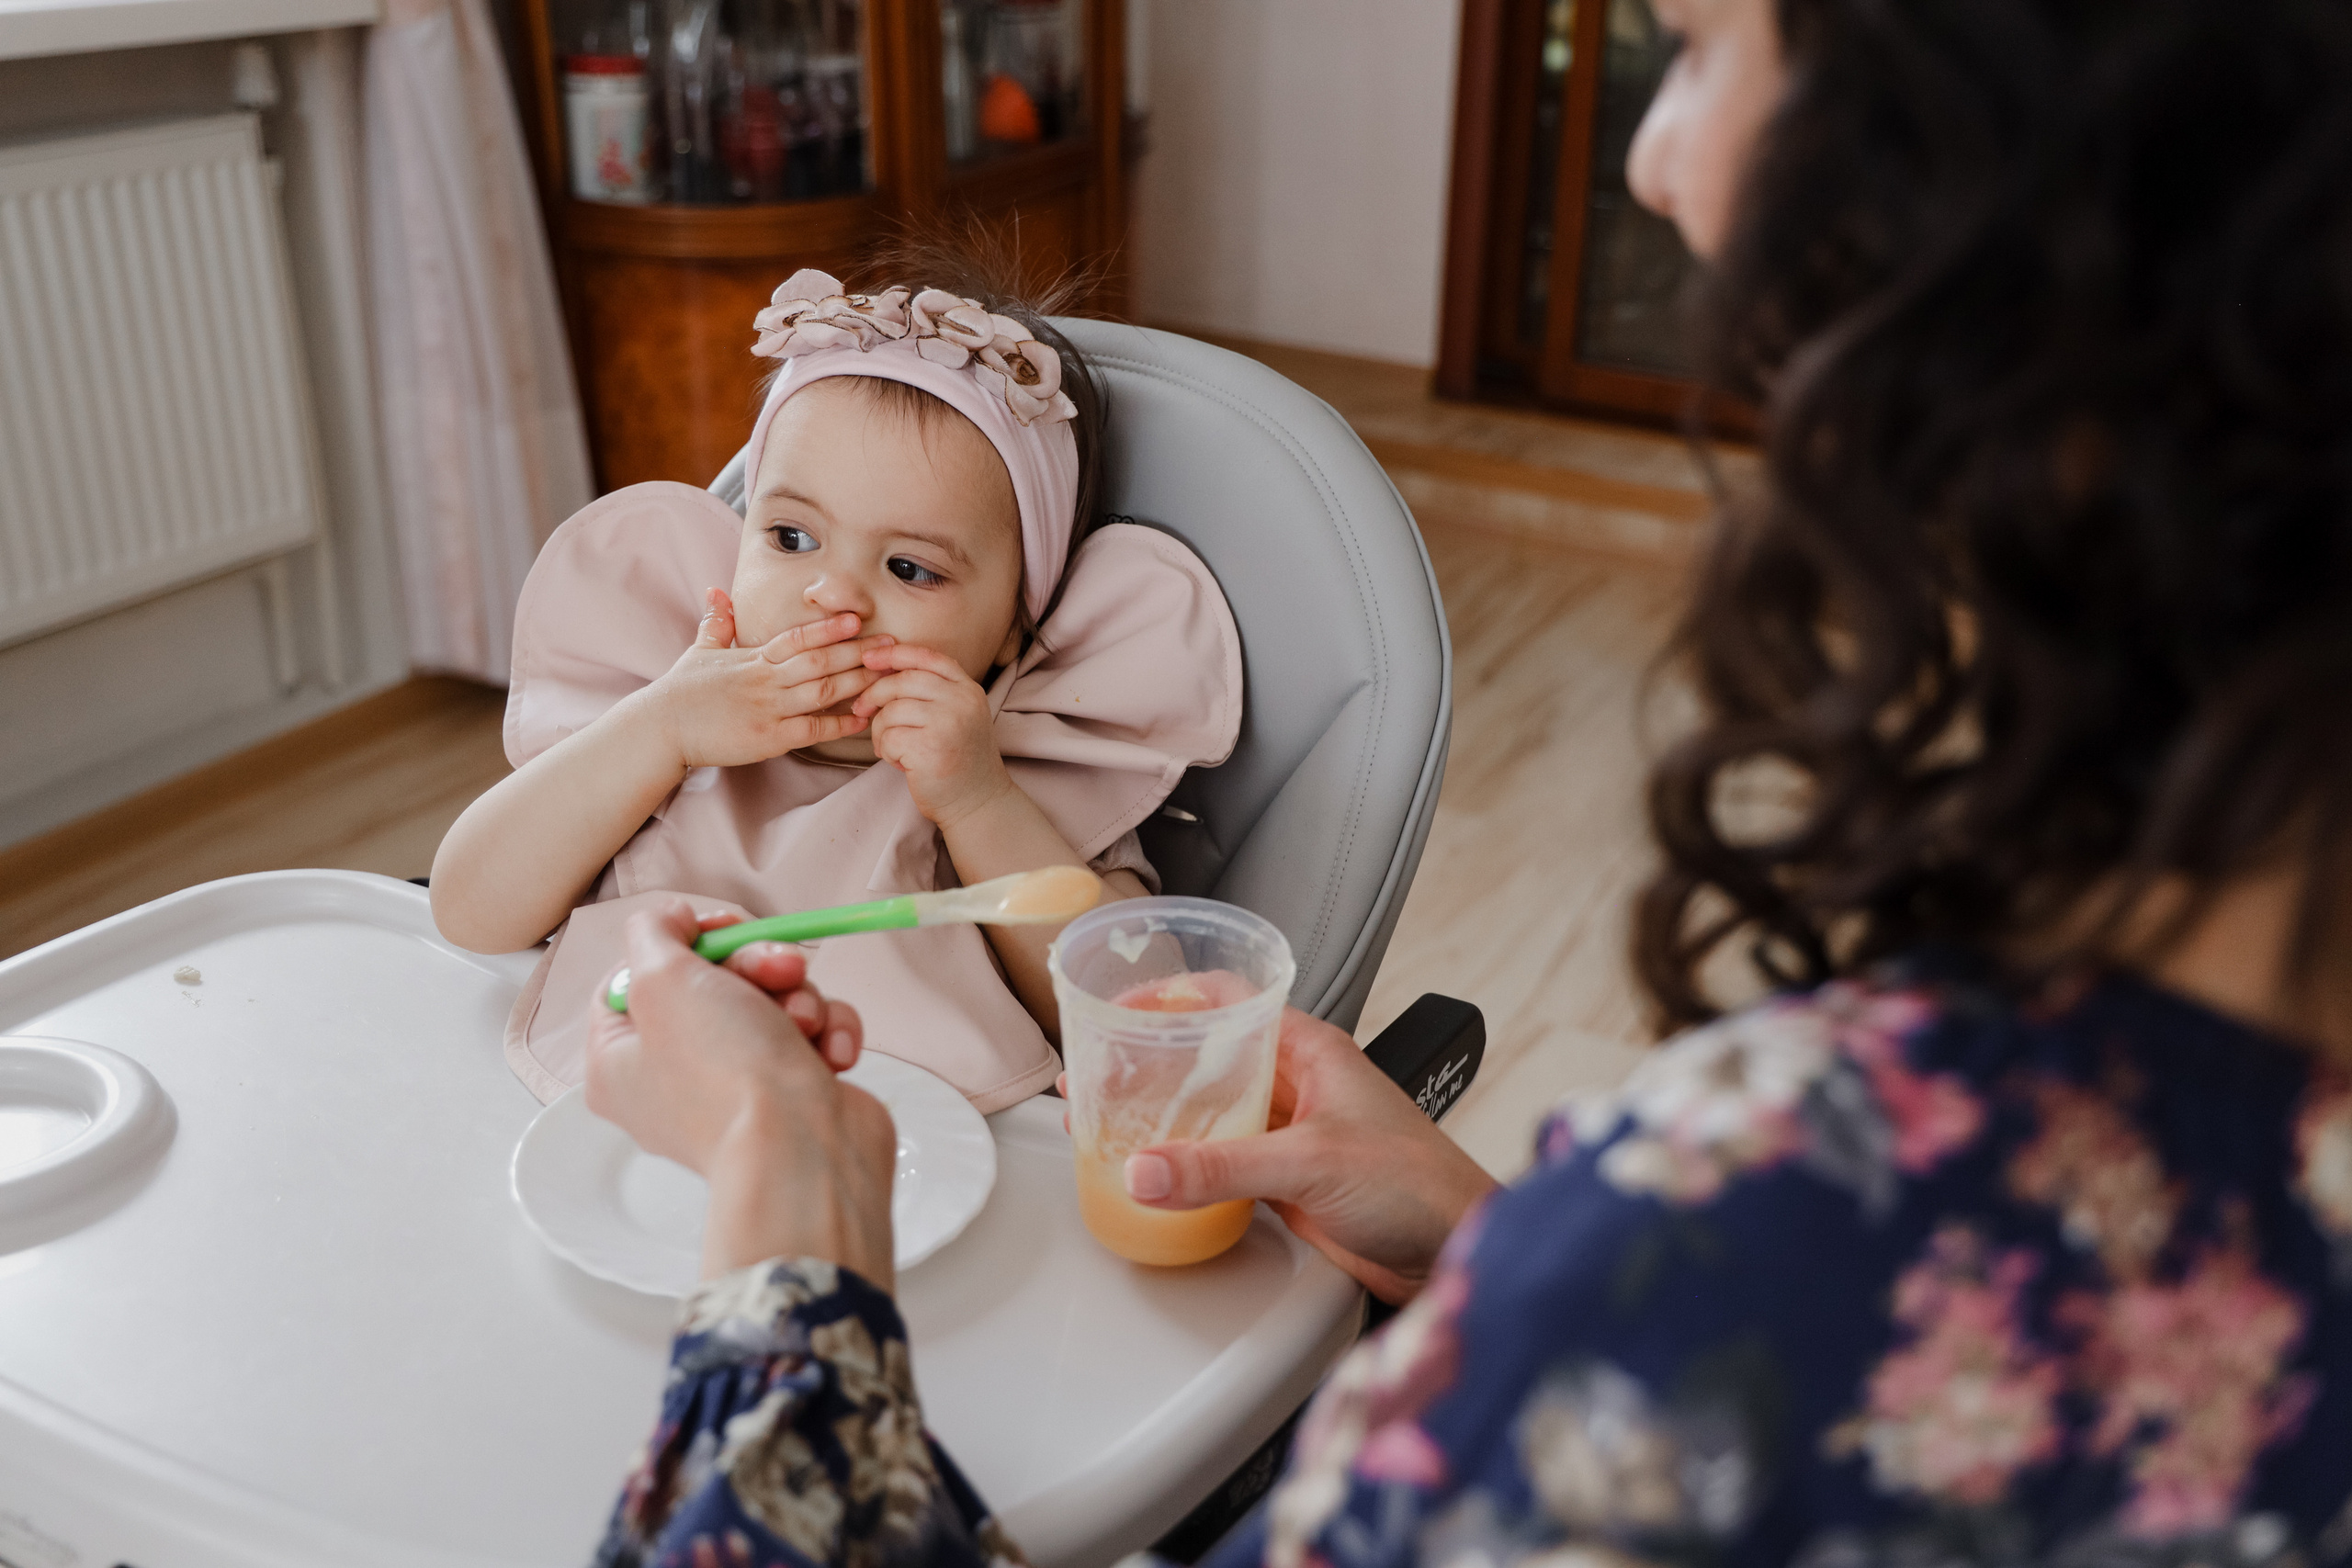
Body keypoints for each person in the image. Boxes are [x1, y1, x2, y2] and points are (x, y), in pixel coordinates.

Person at [584, 0, 2352, 1562]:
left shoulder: (1786, 1235)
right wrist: (1485, 1240)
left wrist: (790, 1220)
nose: (1654, 160)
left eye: (1707, 47)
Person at [430, 252, 1241, 1112]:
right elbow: (469, 910)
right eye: (789, 538)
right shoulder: (667, 718)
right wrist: (658, 730)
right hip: (626, 1119)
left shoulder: (1021, 769)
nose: (834, 595)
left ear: (1013, 627)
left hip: (930, 1170)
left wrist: (976, 804)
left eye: (909, 567)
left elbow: (1142, 1019)